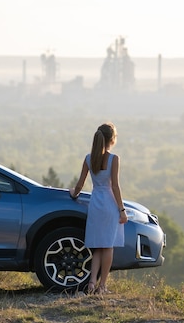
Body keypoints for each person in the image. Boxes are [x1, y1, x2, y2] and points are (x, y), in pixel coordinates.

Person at [70, 122, 128, 294]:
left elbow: (80, 184)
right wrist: (122, 209)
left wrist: (73, 194)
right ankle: (103, 285)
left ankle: (91, 283)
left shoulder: (89, 159)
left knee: (98, 246)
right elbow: (115, 186)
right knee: (108, 246)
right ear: (112, 139)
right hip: (109, 205)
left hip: (95, 203)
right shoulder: (113, 159)